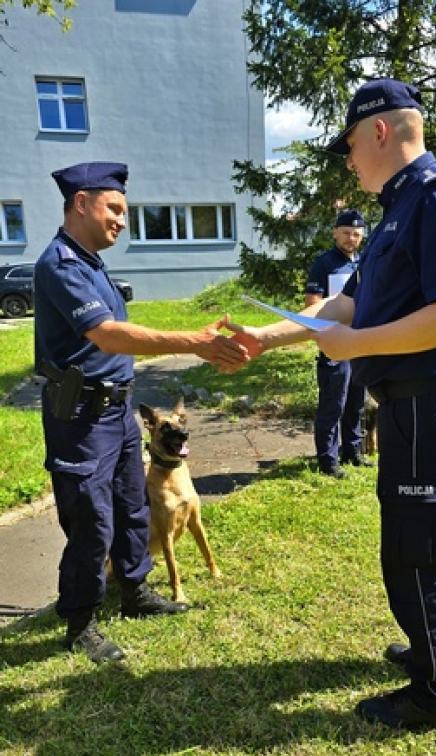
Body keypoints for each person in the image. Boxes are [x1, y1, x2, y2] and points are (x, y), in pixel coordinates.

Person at [227, 79, 436, 731]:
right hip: (410, 403)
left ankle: (433, 695)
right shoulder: (395, 213)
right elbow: (347, 305)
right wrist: (267, 336)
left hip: (428, 400)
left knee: (416, 544)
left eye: (349, 144)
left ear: (379, 131)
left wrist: (356, 345)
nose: (348, 159)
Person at [34, 161, 248, 663]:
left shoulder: (91, 262)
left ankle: (134, 592)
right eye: (115, 209)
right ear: (81, 203)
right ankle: (81, 622)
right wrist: (190, 342)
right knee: (91, 520)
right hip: (81, 419)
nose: (122, 221)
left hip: (117, 411)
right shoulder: (61, 264)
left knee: (133, 506)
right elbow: (106, 334)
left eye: (124, 211)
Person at [305, 209, 372, 477]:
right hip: (334, 344)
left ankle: (352, 452)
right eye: (345, 233)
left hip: (359, 342)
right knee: (333, 403)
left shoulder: (364, 263)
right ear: (335, 232)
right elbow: (312, 304)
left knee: (356, 401)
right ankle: (328, 460)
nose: (350, 238)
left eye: (356, 234)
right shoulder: (324, 264)